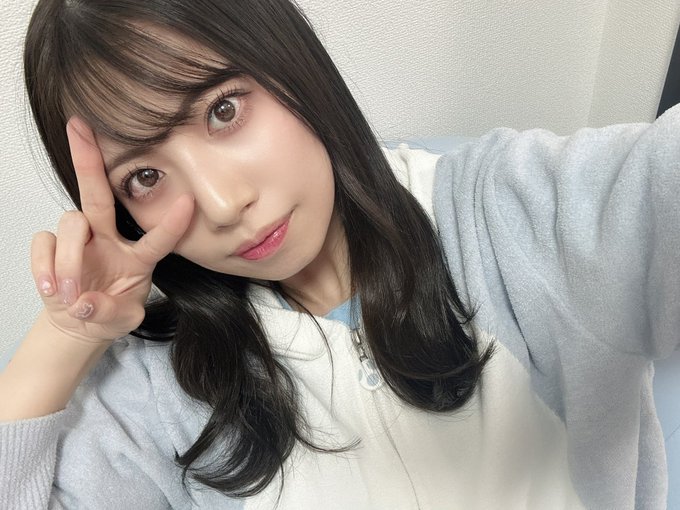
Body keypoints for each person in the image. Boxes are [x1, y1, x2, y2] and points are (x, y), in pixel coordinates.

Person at [0, 0, 678, 508]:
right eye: (145, 177)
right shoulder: (157, 388)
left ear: (289, 63)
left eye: (223, 110)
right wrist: (65, 338)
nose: (222, 203)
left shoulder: (512, 212)